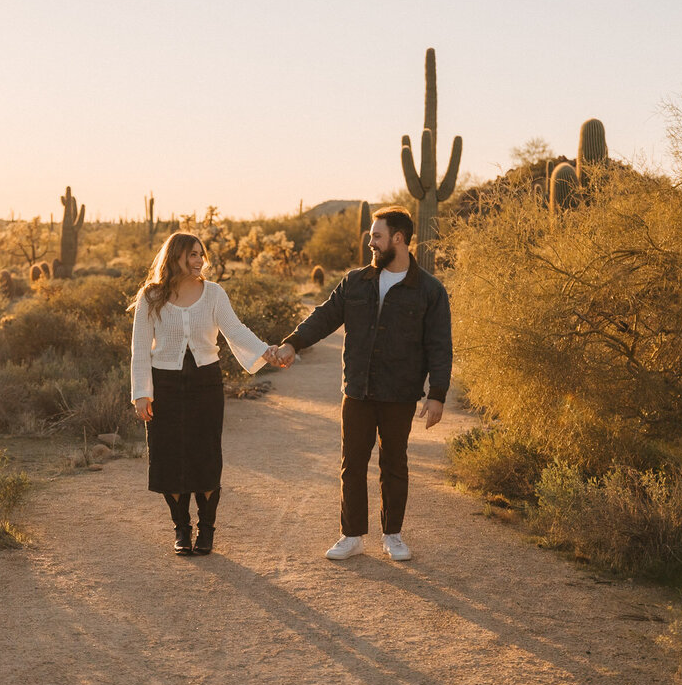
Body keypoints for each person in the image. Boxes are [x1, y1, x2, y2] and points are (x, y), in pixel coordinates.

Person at [273, 206, 452, 561]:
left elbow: (440, 345)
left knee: (394, 465)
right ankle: (352, 535)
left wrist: (437, 395)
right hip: (357, 388)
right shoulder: (356, 281)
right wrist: (293, 342)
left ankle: (393, 535)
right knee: (352, 463)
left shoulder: (429, 290)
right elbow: (325, 315)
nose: (370, 242)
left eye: (377, 236)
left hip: (399, 393)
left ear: (398, 239)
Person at [130, 232, 280, 556]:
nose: (200, 260)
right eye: (192, 255)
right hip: (164, 385)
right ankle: (181, 529)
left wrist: (264, 351)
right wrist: (141, 393)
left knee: (205, 455)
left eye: (201, 254)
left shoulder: (213, 293)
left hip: (205, 383)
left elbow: (235, 329)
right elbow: (140, 348)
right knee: (168, 456)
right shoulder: (151, 295)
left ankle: (206, 530)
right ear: (175, 258)